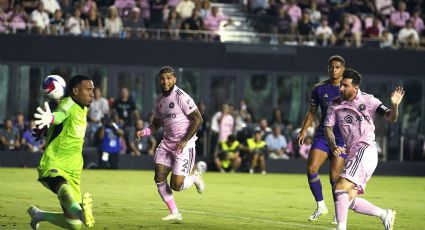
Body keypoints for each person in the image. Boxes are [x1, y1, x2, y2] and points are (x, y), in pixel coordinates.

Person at [324, 68, 402, 230]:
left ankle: (341, 228)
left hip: (365, 150)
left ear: (355, 88)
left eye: (345, 85)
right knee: (347, 198)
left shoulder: (369, 101)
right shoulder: (335, 104)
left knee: (339, 187)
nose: (341, 88)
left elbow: (390, 118)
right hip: (352, 154)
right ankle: (384, 214)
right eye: (341, 85)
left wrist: (394, 106)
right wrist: (333, 145)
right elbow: (328, 128)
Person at [135, 66, 205, 221]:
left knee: (176, 185)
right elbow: (156, 124)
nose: (165, 81)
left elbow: (198, 119)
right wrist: (144, 132)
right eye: (162, 78)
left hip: (184, 145)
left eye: (169, 78)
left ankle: (195, 178)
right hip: (167, 143)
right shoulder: (159, 100)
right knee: (159, 176)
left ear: (175, 79)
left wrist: (184, 140)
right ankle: (175, 212)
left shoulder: (181, 96)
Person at [27, 75, 95, 229]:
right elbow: (60, 115)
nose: (92, 93)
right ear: (75, 91)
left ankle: (39, 215)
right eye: (88, 89)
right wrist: (50, 118)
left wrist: (47, 127)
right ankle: (82, 212)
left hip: (74, 168)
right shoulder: (68, 104)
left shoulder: (82, 107)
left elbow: (61, 122)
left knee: (74, 224)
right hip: (55, 162)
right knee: (63, 188)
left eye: (93, 90)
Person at [297, 55, 346, 222]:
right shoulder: (319, 88)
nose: (334, 70)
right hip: (323, 135)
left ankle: (339, 212)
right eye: (331, 67)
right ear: (328, 68)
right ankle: (321, 206)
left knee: (334, 177)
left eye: (337, 67)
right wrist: (303, 130)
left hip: (342, 138)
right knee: (311, 168)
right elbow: (312, 112)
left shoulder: (348, 88)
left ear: (343, 69)